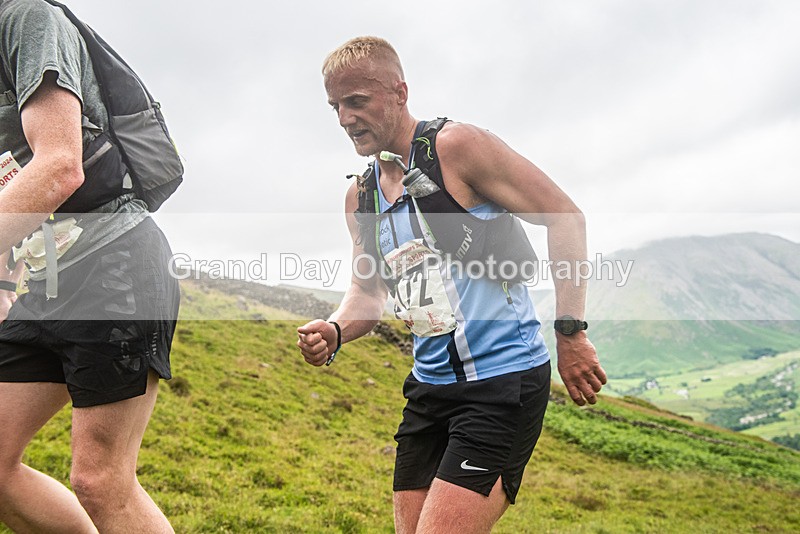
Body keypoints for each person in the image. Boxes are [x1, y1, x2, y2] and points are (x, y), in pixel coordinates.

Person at [297, 36, 607, 533]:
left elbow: (565, 218)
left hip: (502, 383)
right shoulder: (361, 197)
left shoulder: (457, 148)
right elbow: (369, 294)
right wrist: (335, 331)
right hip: (428, 390)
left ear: (399, 91)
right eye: (335, 106)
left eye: (357, 102)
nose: (344, 119)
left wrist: (571, 332)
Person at [0, 1, 179, 532]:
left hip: (114, 262)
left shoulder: (27, 17)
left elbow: (59, 166)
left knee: (101, 481)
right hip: (44, 275)